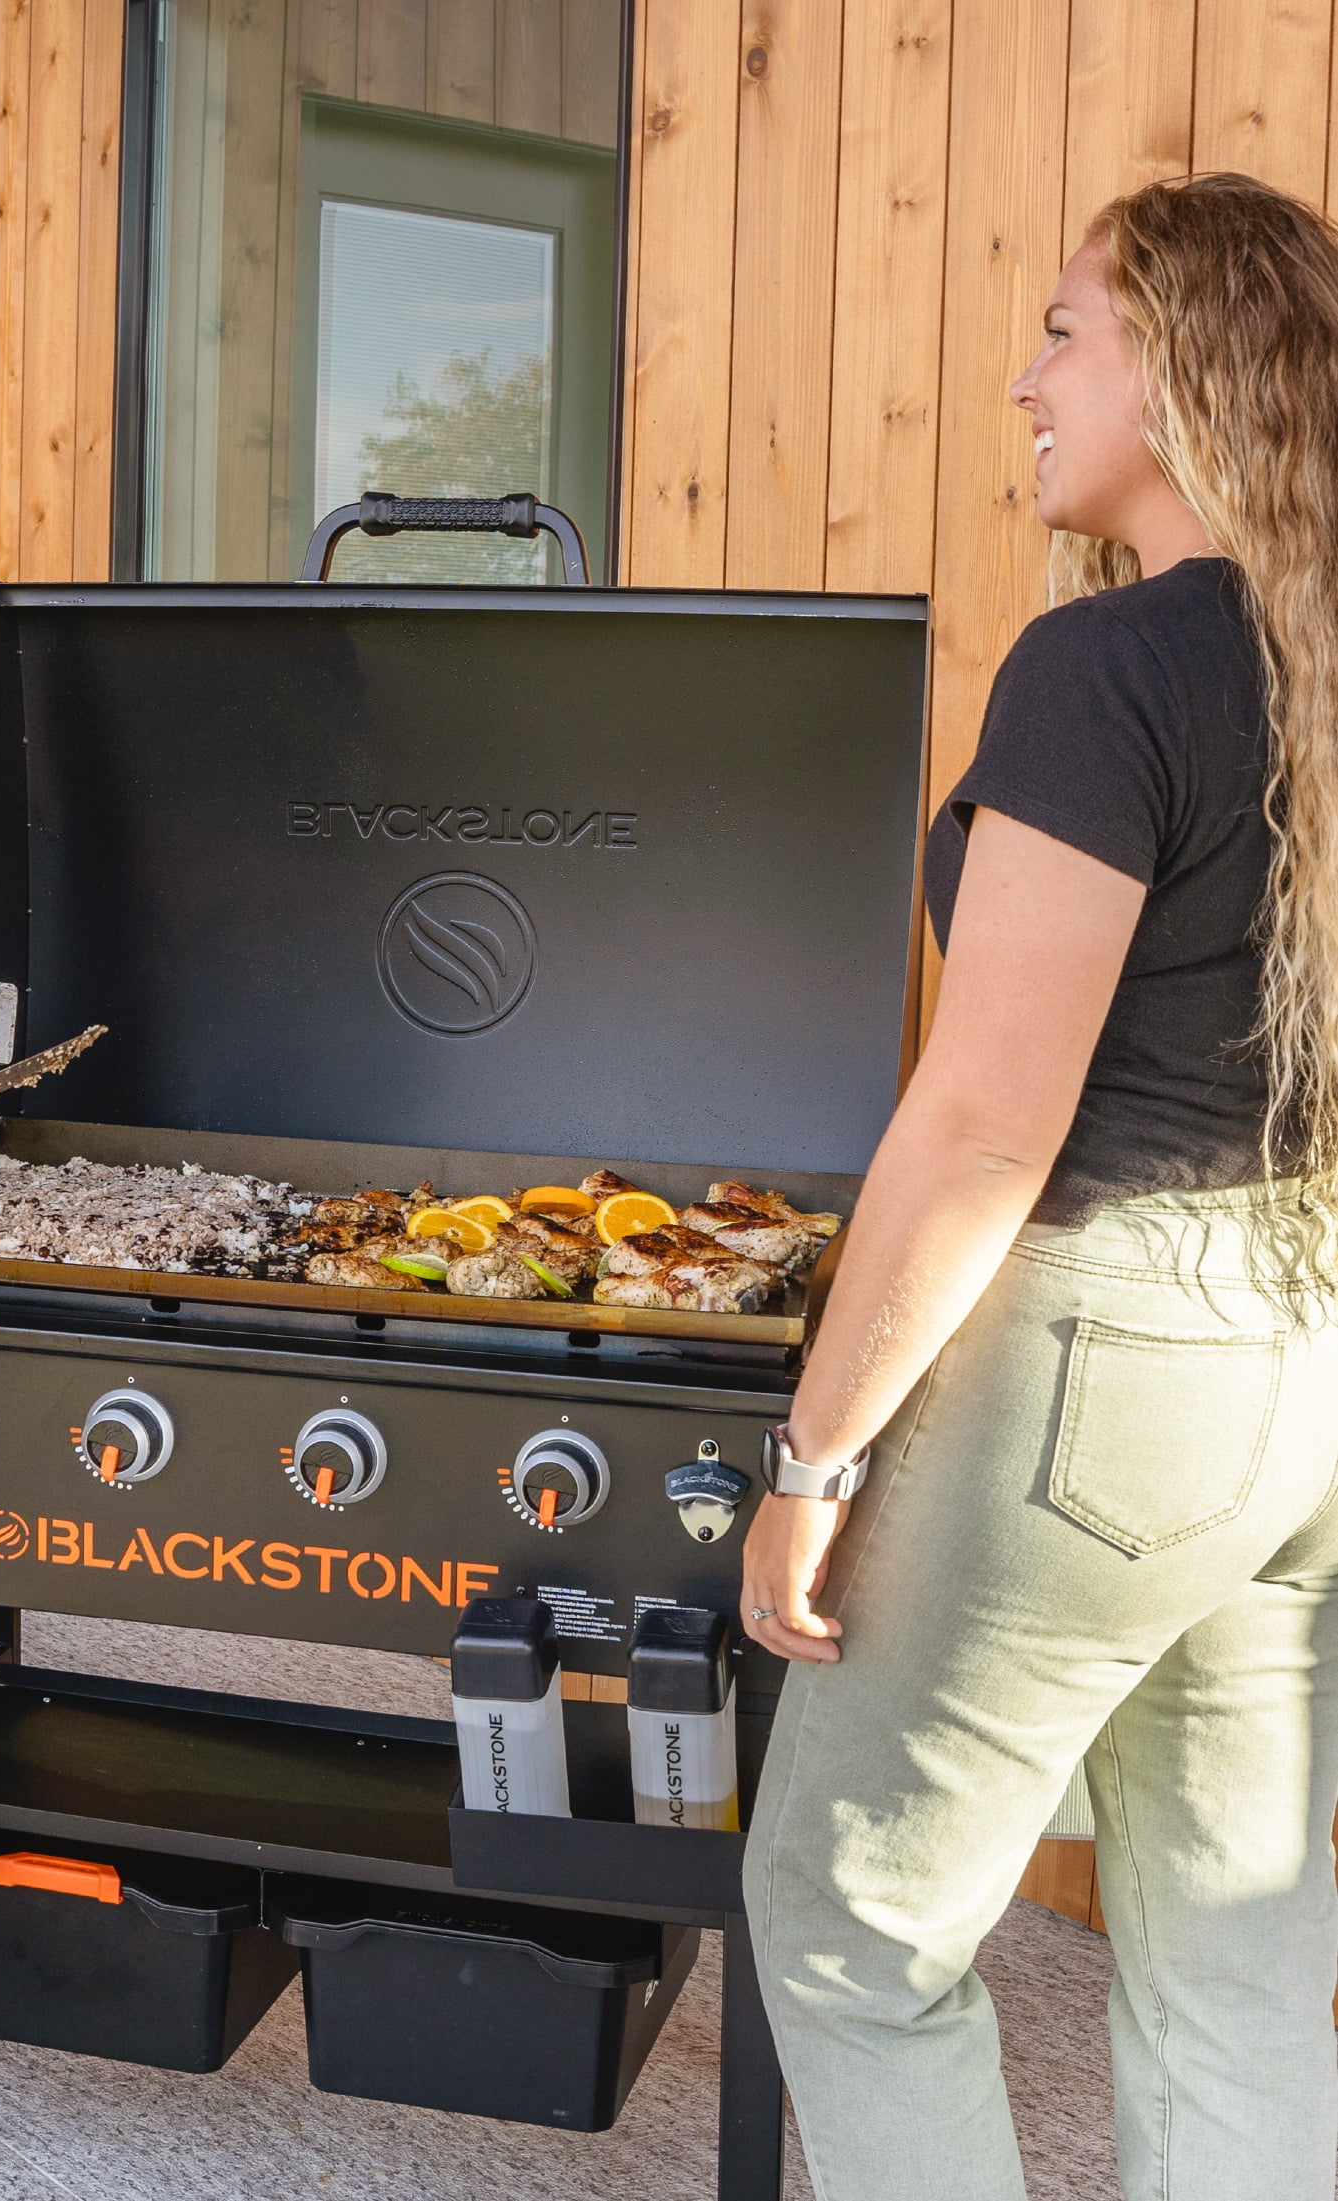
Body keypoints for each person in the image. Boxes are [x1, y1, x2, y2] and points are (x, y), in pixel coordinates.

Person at [740, 169, 1338, 2201]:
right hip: (1300, 1350)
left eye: (1067, 332)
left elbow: (989, 1119)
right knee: (1238, 1936)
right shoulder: (1312, 665)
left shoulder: (1113, 673)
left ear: (1177, 371)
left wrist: (817, 1460)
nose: (1026, 375)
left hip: (1107, 1352)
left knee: (848, 1921)